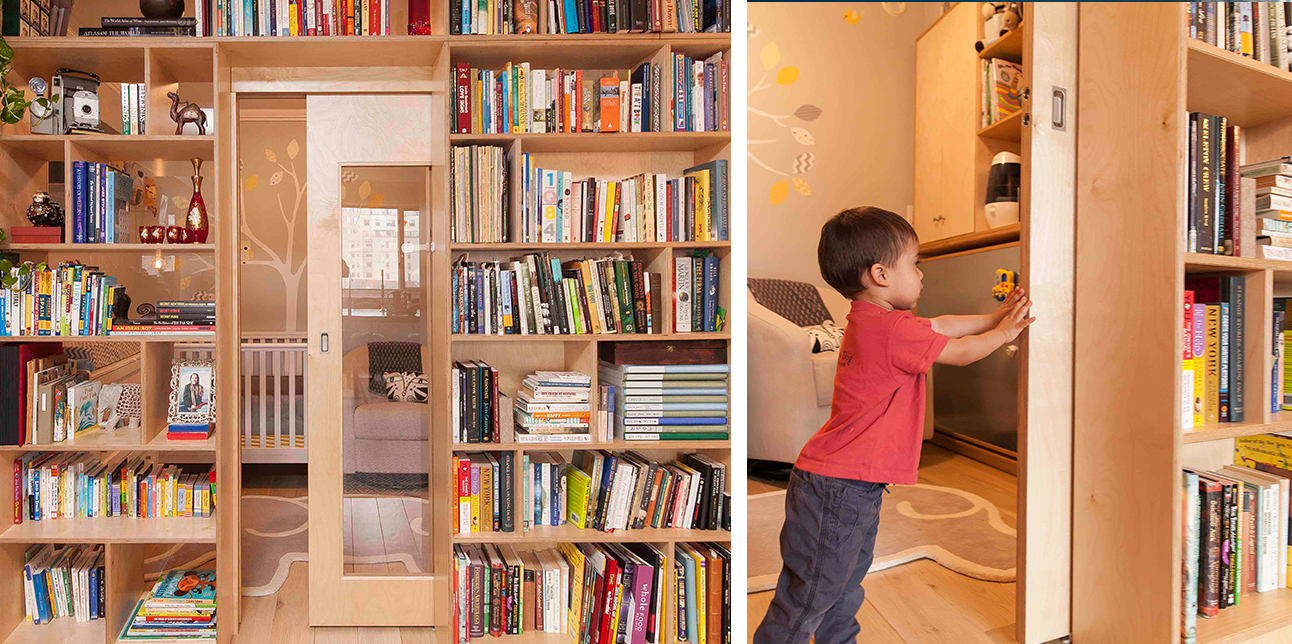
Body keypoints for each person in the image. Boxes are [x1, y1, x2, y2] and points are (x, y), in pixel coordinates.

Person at [752, 207, 1034, 644]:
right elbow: (958, 351)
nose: (922, 275)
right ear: (881, 274)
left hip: (847, 486)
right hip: (840, 488)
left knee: (843, 586)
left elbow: (942, 325)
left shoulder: (877, 321)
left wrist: (997, 318)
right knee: (812, 595)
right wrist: (1005, 335)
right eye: (916, 264)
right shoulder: (891, 330)